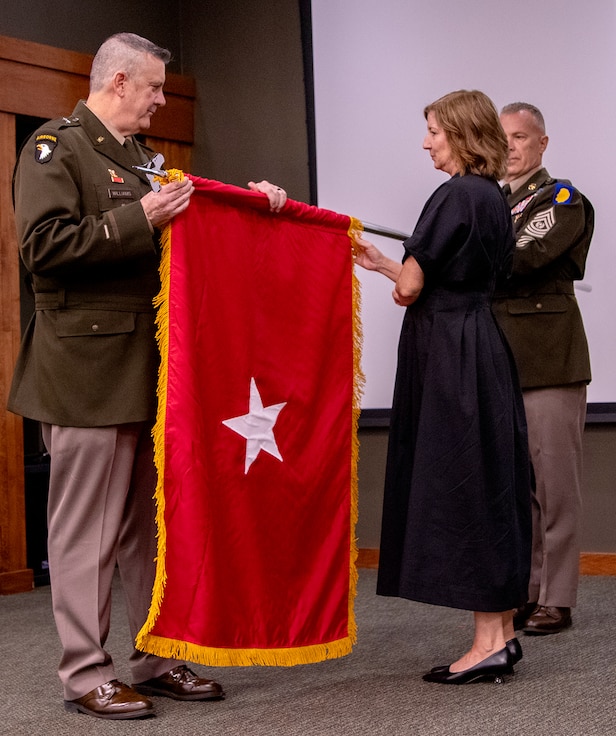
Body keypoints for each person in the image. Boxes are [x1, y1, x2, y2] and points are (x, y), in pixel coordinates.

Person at [8, 32, 287, 720]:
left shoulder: (140, 159)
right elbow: (41, 249)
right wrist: (139, 216)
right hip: (85, 369)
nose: (163, 101)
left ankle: (155, 656)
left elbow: (186, 234)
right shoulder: (56, 146)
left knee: (148, 526)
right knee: (86, 531)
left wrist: (248, 207)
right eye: (157, 88)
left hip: (148, 368)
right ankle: (84, 672)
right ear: (122, 80)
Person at [354, 89, 531, 684]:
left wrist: (391, 271)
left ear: (458, 132)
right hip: (481, 345)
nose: (426, 141)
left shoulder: (452, 193)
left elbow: (410, 289)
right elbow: (436, 276)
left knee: (466, 486)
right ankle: (502, 633)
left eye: (432, 130)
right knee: (491, 479)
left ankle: (485, 643)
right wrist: (381, 260)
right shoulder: (493, 199)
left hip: (450, 354)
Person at [493, 102, 593, 635]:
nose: (510, 147)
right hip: (501, 360)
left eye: (520, 137)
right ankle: (531, 590)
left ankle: (559, 597)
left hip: (549, 360)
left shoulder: (560, 198)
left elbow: (521, 256)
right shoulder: (494, 202)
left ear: (541, 144)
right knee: (522, 489)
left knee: (555, 488)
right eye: (501, 138)